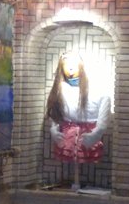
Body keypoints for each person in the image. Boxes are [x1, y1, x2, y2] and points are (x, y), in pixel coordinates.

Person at [46, 50, 111, 188]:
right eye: (66, 64)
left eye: (73, 63)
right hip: (67, 134)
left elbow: (104, 117)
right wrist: (53, 129)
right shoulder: (59, 89)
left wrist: (97, 133)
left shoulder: (98, 89)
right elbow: (55, 113)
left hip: (87, 134)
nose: (70, 68)